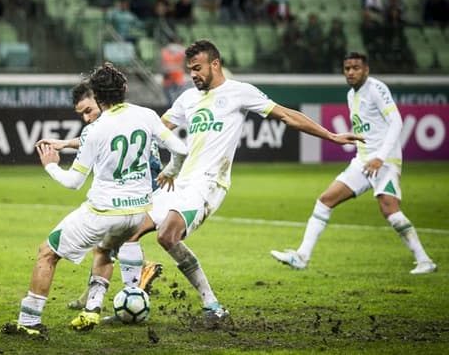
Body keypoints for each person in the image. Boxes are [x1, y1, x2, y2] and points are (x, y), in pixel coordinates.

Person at [123, 40, 362, 328]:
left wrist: (332, 136)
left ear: (215, 64)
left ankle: (213, 307)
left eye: (197, 69)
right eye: (190, 70)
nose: (193, 75)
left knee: (167, 236)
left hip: (209, 184)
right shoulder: (187, 99)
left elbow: (287, 116)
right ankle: (133, 295)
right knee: (128, 232)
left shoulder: (239, 92)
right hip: (180, 182)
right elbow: (157, 129)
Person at [1, 63, 188, 337]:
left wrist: (51, 165)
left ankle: (28, 322)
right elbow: (180, 149)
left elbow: (74, 182)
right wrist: (171, 170)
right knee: (104, 251)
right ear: (124, 89)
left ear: (98, 98)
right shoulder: (147, 115)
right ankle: (91, 310)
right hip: (136, 213)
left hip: (102, 212)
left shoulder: (95, 131)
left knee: (47, 252)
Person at [270, 52, 437, 275]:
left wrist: (381, 156)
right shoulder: (351, 95)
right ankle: (301, 256)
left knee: (390, 210)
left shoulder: (376, 89)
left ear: (366, 69)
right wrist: (369, 156)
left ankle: (424, 260)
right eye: (347, 68)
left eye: (356, 68)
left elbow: (396, 121)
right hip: (363, 161)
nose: (350, 72)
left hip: (384, 161)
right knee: (325, 200)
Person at [36, 81, 165, 311]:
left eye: (88, 110)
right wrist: (66, 143)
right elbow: (97, 140)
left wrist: (52, 166)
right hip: (140, 186)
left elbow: (95, 146)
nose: (86, 118)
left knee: (115, 239)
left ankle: (136, 281)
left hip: (137, 186)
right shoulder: (128, 114)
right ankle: (94, 298)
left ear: (101, 98)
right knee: (106, 245)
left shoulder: (114, 120)